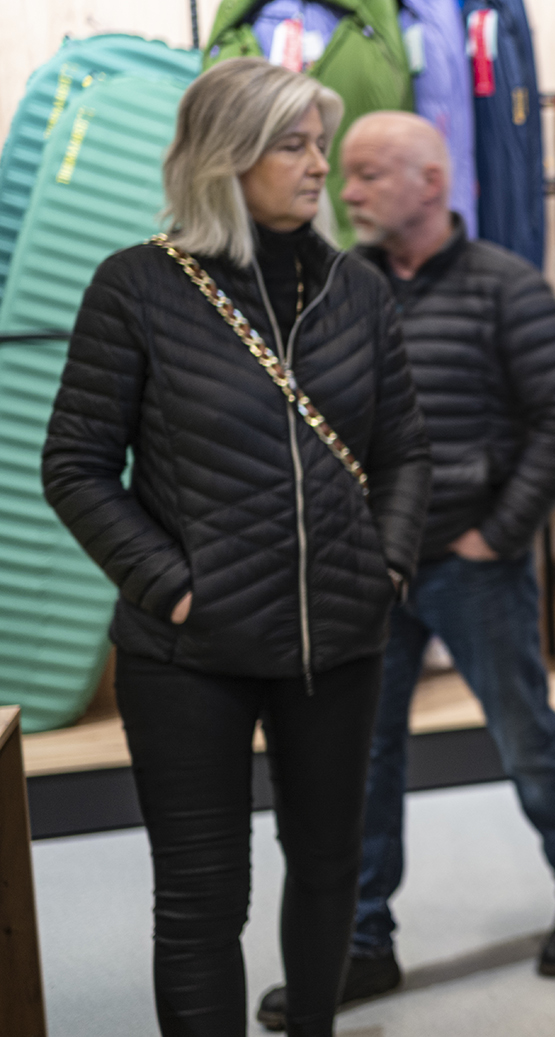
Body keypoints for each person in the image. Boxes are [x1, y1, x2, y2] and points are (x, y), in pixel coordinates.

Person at [42, 59, 432, 1037]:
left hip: (337, 642)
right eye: (293, 143)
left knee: (330, 867)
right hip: (189, 654)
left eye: (319, 140)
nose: (318, 165)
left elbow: (405, 453)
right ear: (228, 156)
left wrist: (382, 569)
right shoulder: (136, 286)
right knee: (203, 901)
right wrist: (172, 586)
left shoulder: (357, 290)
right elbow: (76, 465)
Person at [255, 111, 555, 1028]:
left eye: (370, 173)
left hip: (471, 562)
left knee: (526, 735)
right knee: (363, 760)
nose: (348, 187)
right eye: (349, 172)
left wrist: (499, 532)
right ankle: (364, 945)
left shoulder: (507, 287)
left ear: (431, 183)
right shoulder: (336, 284)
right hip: (371, 568)